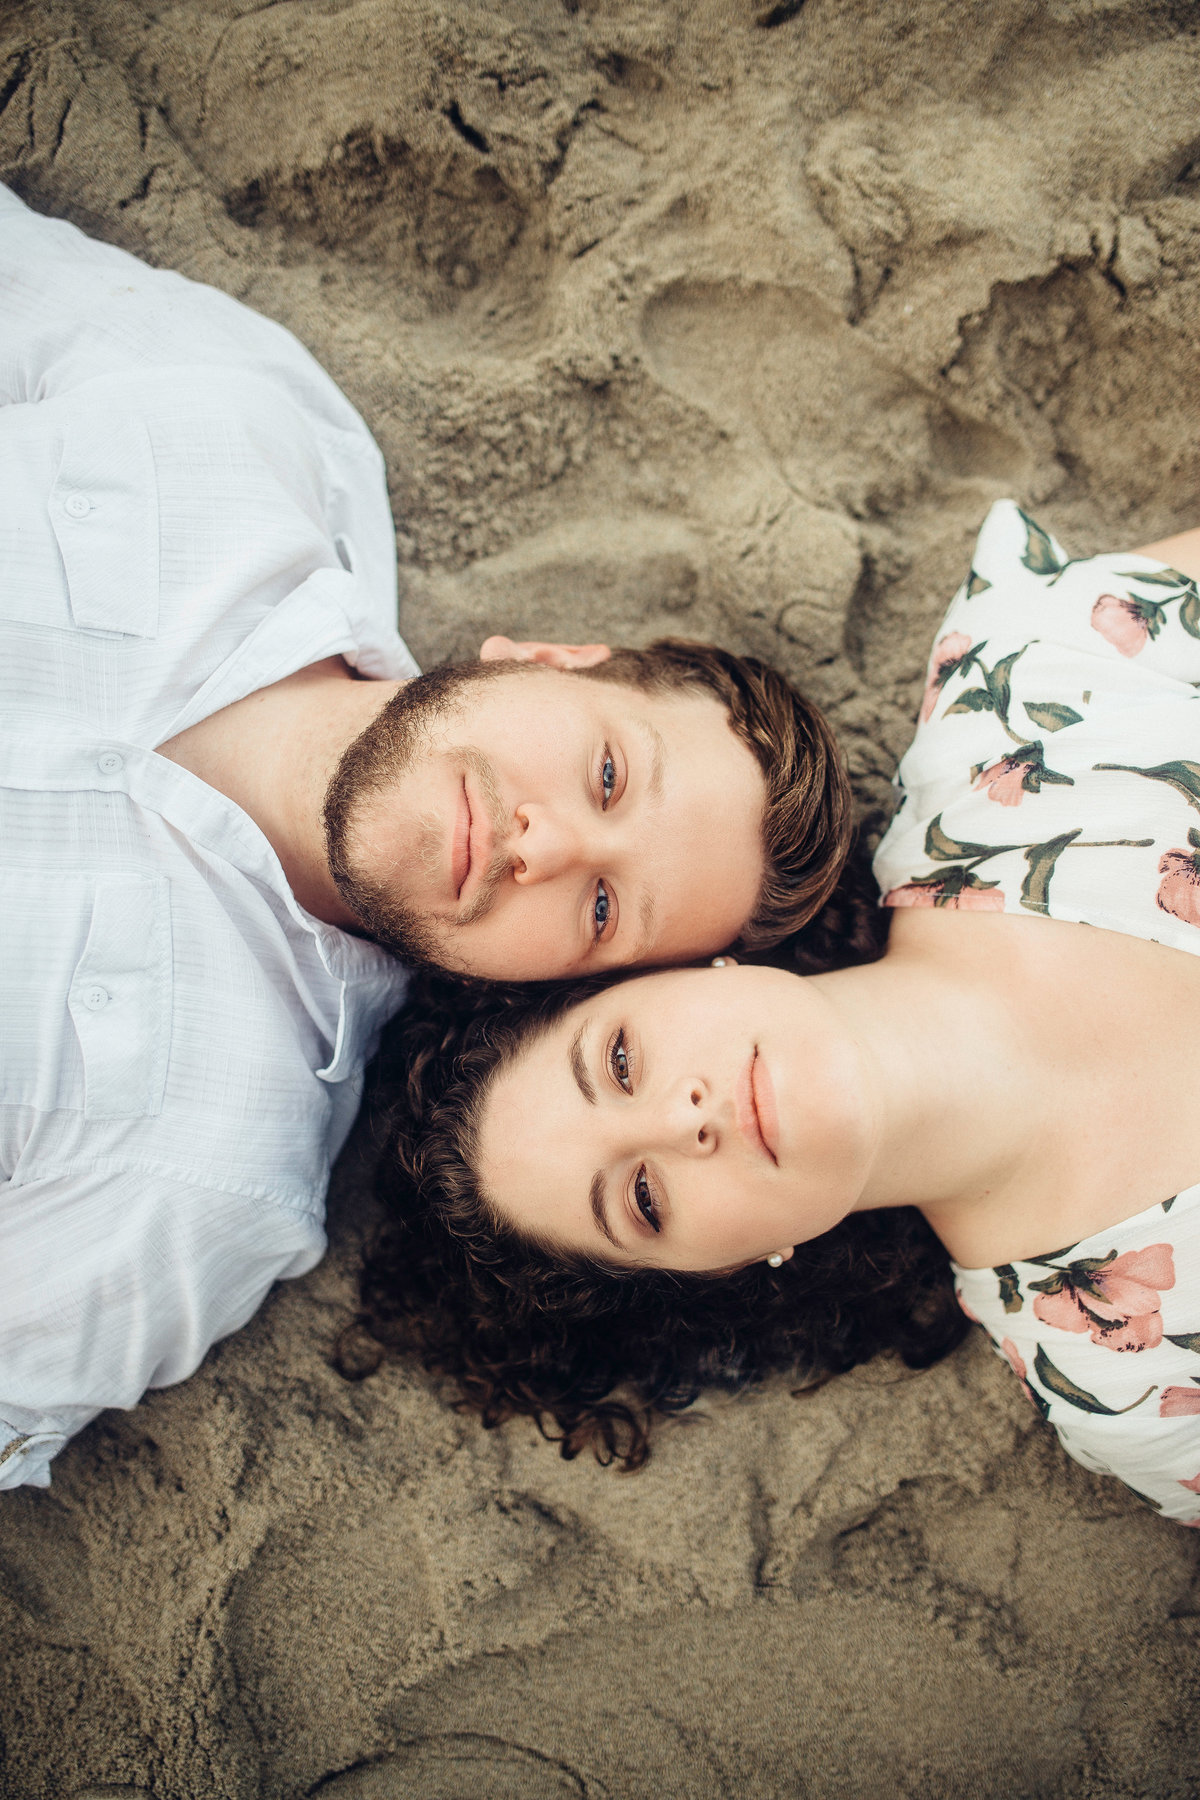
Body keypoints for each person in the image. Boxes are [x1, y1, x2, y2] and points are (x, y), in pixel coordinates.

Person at [0, 190, 849, 1489]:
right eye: (609, 772)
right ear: (554, 659)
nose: (546, 841)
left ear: (537, 993)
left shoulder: (202, 1173)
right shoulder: (235, 429)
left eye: (605, 910)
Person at [367, 500, 1200, 1524]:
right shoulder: (1133, 1387)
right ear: (719, 1268)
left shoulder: (1029, 709)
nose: (685, 1122)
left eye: (622, 1061)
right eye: (645, 1201)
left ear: (682, 966)